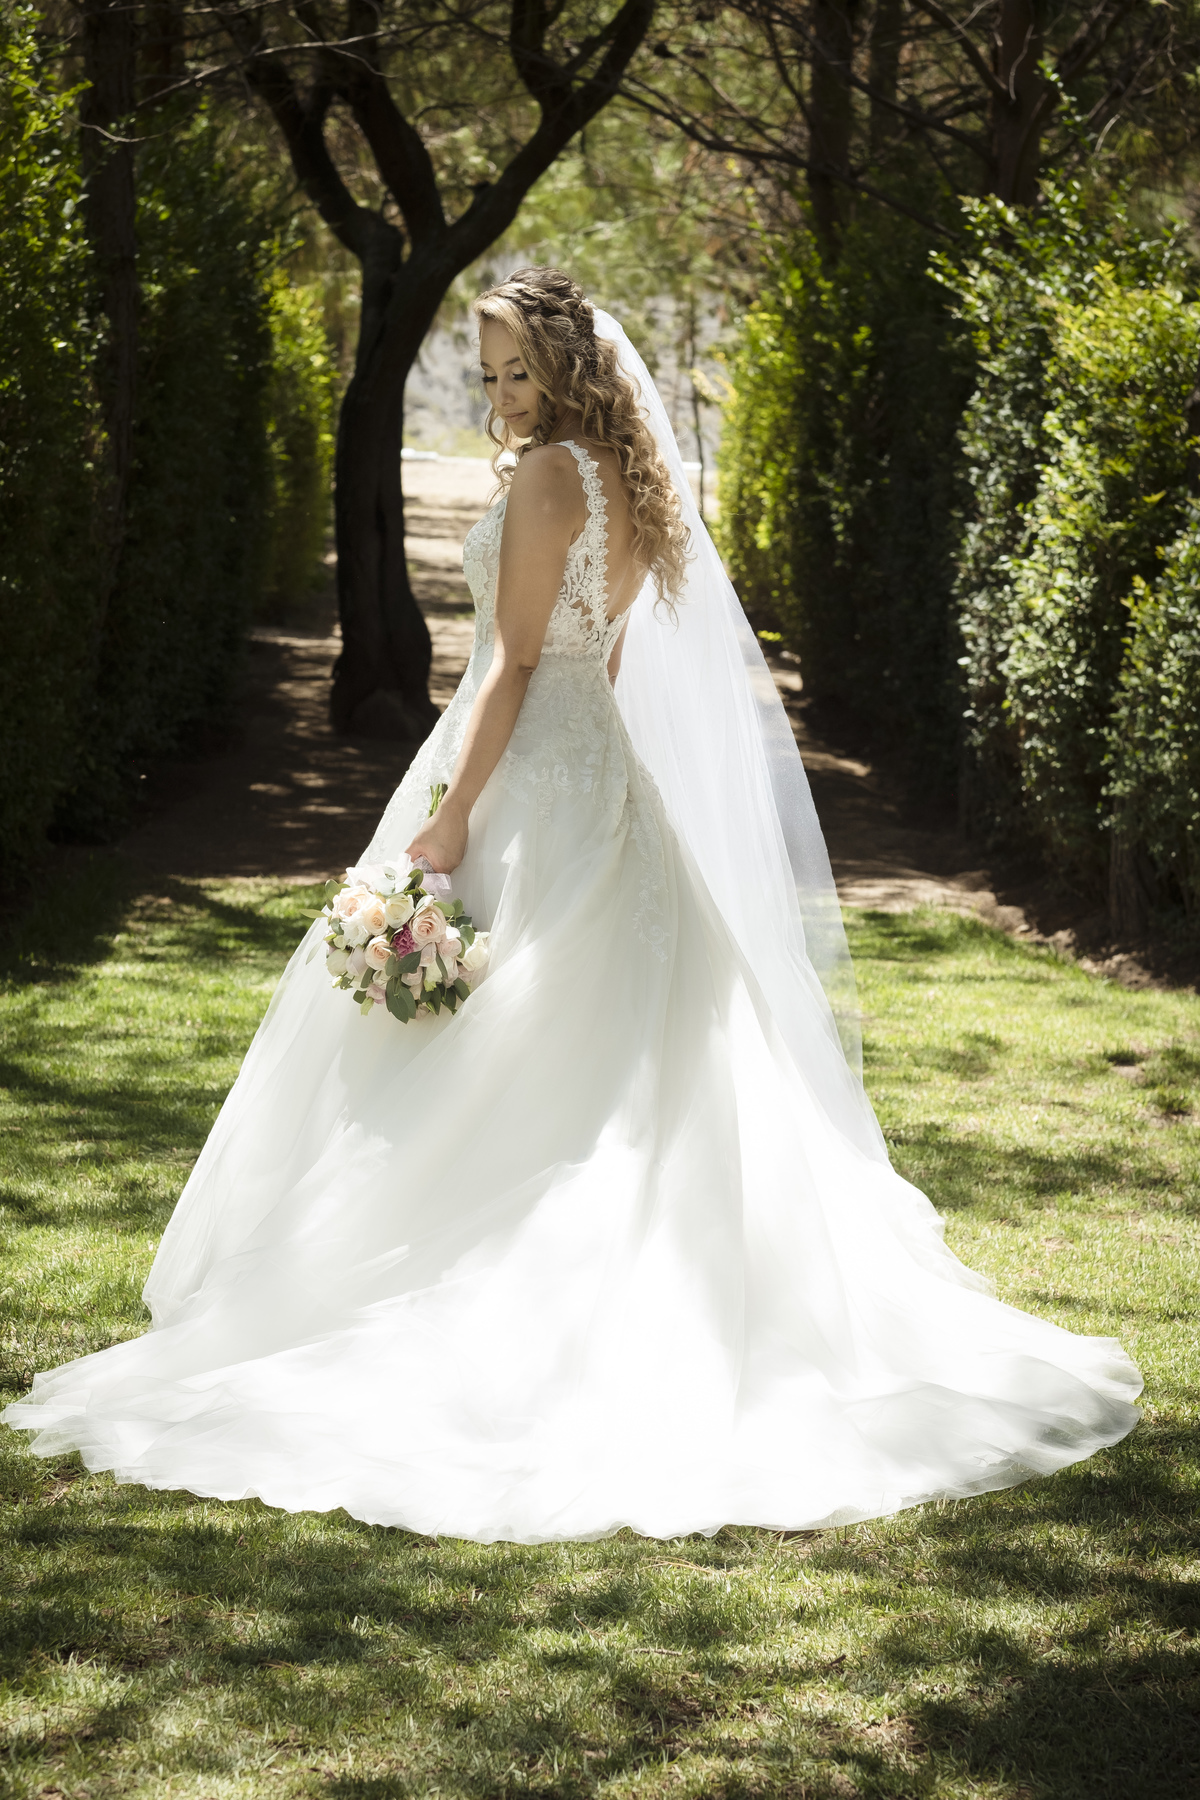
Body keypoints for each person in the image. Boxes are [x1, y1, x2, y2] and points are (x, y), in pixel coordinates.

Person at [3, 268, 1142, 1543]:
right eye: (487, 373)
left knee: (501, 1033)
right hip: (601, 778)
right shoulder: (630, 475)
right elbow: (598, 659)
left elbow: (516, 664)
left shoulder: (550, 476)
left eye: (516, 371)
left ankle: (473, 1278)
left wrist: (448, 815)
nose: (499, 394)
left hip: (529, 777)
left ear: (567, 367)